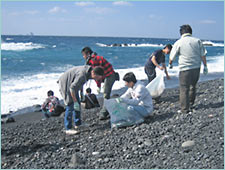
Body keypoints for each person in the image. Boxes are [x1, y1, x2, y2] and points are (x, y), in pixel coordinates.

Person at [169, 24, 208, 114]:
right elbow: (203, 55)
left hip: (185, 69)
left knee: (184, 88)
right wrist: (205, 66)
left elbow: (172, 56)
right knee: (192, 86)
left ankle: (184, 109)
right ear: (190, 32)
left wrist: (170, 64)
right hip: (196, 68)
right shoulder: (197, 41)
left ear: (181, 33)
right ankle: (191, 104)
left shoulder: (179, 42)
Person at [58, 65, 104, 135]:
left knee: (78, 104)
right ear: (93, 73)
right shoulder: (82, 75)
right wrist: (75, 100)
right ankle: (68, 128)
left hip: (73, 84)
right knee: (70, 105)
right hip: (66, 84)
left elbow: (81, 84)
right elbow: (72, 88)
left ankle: (78, 123)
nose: (97, 80)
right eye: (97, 78)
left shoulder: (88, 72)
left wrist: (81, 93)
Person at [81, 47, 117, 120]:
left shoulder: (94, 60)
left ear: (87, 54)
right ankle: (106, 110)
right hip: (105, 75)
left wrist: (98, 85)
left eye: (83, 55)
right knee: (106, 93)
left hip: (109, 75)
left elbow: (97, 75)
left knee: (106, 93)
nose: (83, 57)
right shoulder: (92, 59)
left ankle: (104, 112)